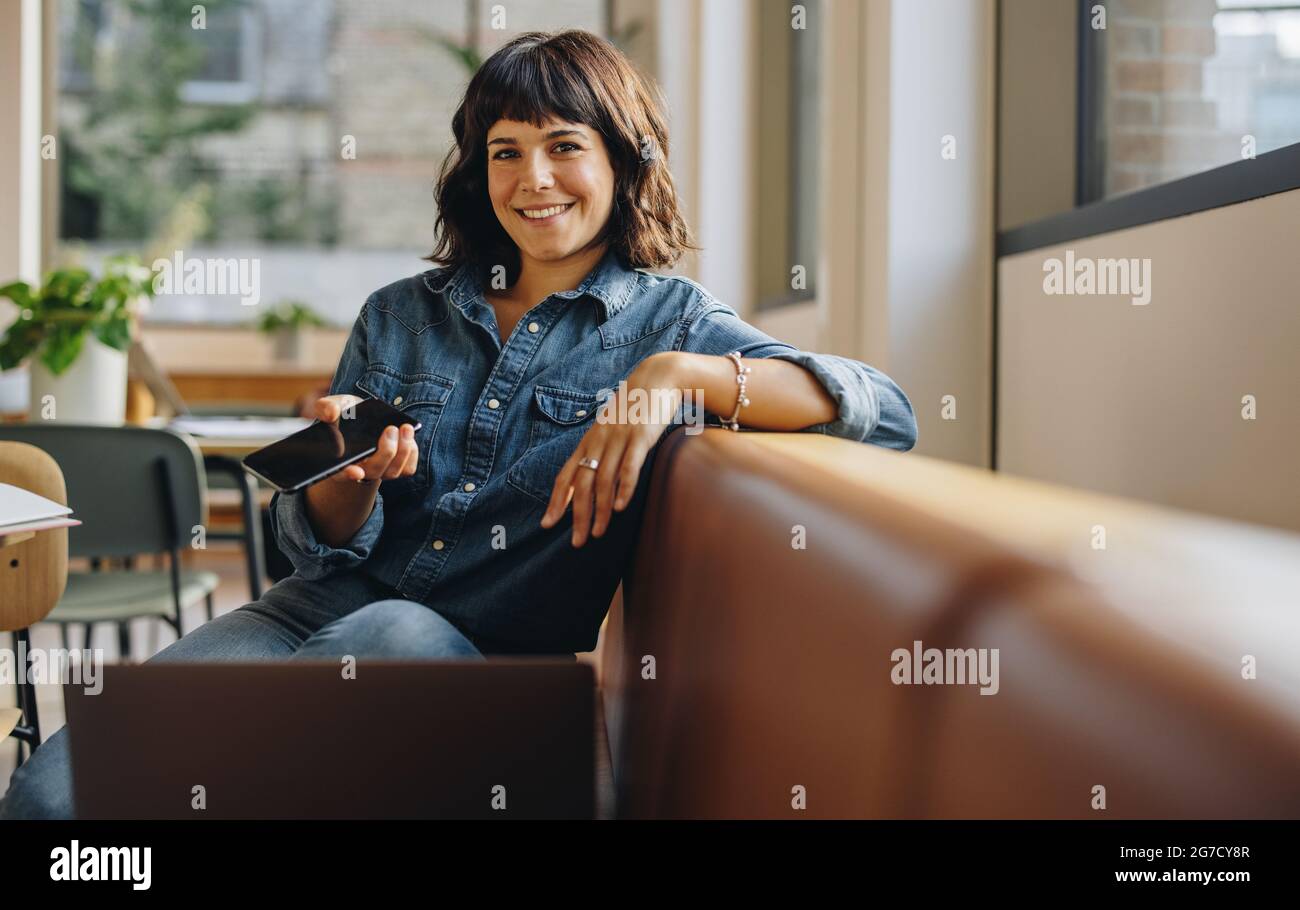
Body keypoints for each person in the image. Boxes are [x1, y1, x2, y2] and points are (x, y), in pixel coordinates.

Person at [0, 29, 916, 820]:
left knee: (379, 647)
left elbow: (883, 412)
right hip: (313, 618)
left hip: (485, 657)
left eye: (565, 146)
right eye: (506, 151)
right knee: (51, 797)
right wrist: (341, 493)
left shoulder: (668, 323)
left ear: (623, 160)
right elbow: (316, 552)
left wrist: (680, 374)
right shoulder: (398, 313)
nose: (534, 179)